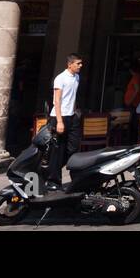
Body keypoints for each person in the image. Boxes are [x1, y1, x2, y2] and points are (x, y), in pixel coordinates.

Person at [46, 54, 84, 189]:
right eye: (78, 63)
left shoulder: (77, 77)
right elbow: (57, 101)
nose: (80, 66)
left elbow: (72, 96)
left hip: (72, 116)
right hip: (59, 116)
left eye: (80, 63)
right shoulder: (60, 78)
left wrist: (75, 111)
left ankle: (55, 170)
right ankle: (53, 181)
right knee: (58, 149)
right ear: (70, 64)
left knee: (73, 148)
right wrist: (59, 122)